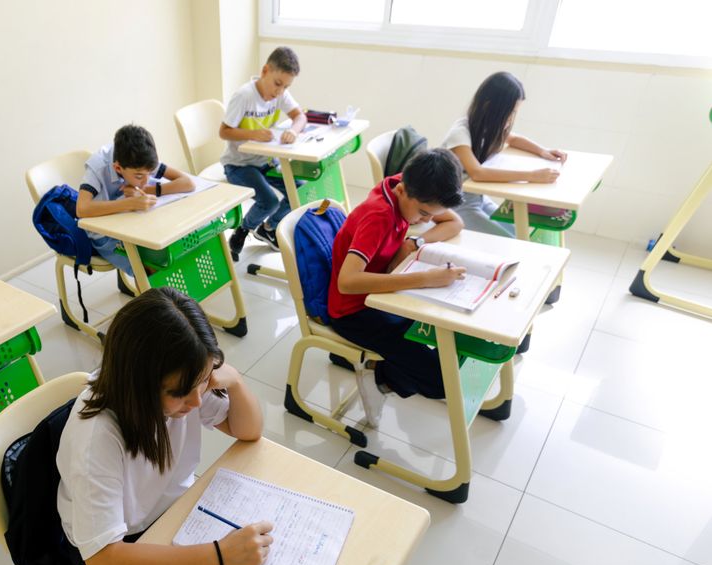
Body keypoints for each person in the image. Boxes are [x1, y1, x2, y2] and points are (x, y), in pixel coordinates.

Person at [52, 287, 270, 565]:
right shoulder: (97, 438)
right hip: (120, 542)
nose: (196, 402)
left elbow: (247, 431)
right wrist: (221, 557)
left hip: (171, 511)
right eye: (181, 393)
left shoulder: (183, 381)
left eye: (204, 380)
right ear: (138, 384)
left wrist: (234, 382)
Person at [328, 149, 465, 423]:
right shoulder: (378, 216)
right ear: (403, 189)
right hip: (355, 311)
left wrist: (415, 242)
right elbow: (347, 282)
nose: (426, 220)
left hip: (386, 295)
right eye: (424, 213)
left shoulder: (406, 185)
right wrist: (425, 279)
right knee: (441, 380)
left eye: (430, 215)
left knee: (448, 334)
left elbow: (454, 222)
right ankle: (378, 376)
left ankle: (388, 364)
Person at [442, 71, 567, 237]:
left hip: (477, 199)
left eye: (514, 112)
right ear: (488, 106)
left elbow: (514, 139)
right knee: (510, 241)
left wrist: (543, 151)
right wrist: (531, 176)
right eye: (510, 112)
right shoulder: (460, 132)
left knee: (520, 234)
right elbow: (477, 173)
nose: (511, 118)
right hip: (453, 205)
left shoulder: (488, 127)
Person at [220, 46, 307, 260]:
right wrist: (253, 134)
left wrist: (293, 131)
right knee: (269, 201)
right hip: (239, 164)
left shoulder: (281, 93)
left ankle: (268, 227)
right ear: (265, 71)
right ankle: (242, 230)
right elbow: (223, 131)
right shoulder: (244, 96)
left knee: (300, 190)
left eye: (286, 87)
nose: (279, 91)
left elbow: (300, 117)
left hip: (265, 162)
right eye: (278, 84)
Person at [77, 124, 195, 276]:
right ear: (118, 168)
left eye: (150, 173)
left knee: (171, 250)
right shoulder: (98, 166)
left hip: (135, 224)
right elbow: (82, 209)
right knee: (152, 269)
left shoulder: (142, 159)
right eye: (139, 177)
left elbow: (188, 183)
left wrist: (148, 190)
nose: (145, 180)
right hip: (106, 236)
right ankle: (150, 296)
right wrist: (129, 203)